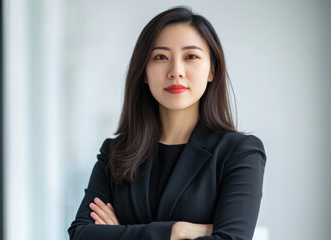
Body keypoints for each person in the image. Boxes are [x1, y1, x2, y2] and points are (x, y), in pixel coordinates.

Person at [68, 6, 266, 240]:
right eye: (160, 57)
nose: (176, 71)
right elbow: (81, 235)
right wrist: (176, 231)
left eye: (191, 56)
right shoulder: (116, 153)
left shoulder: (239, 152)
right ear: (144, 72)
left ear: (212, 70)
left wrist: (120, 233)